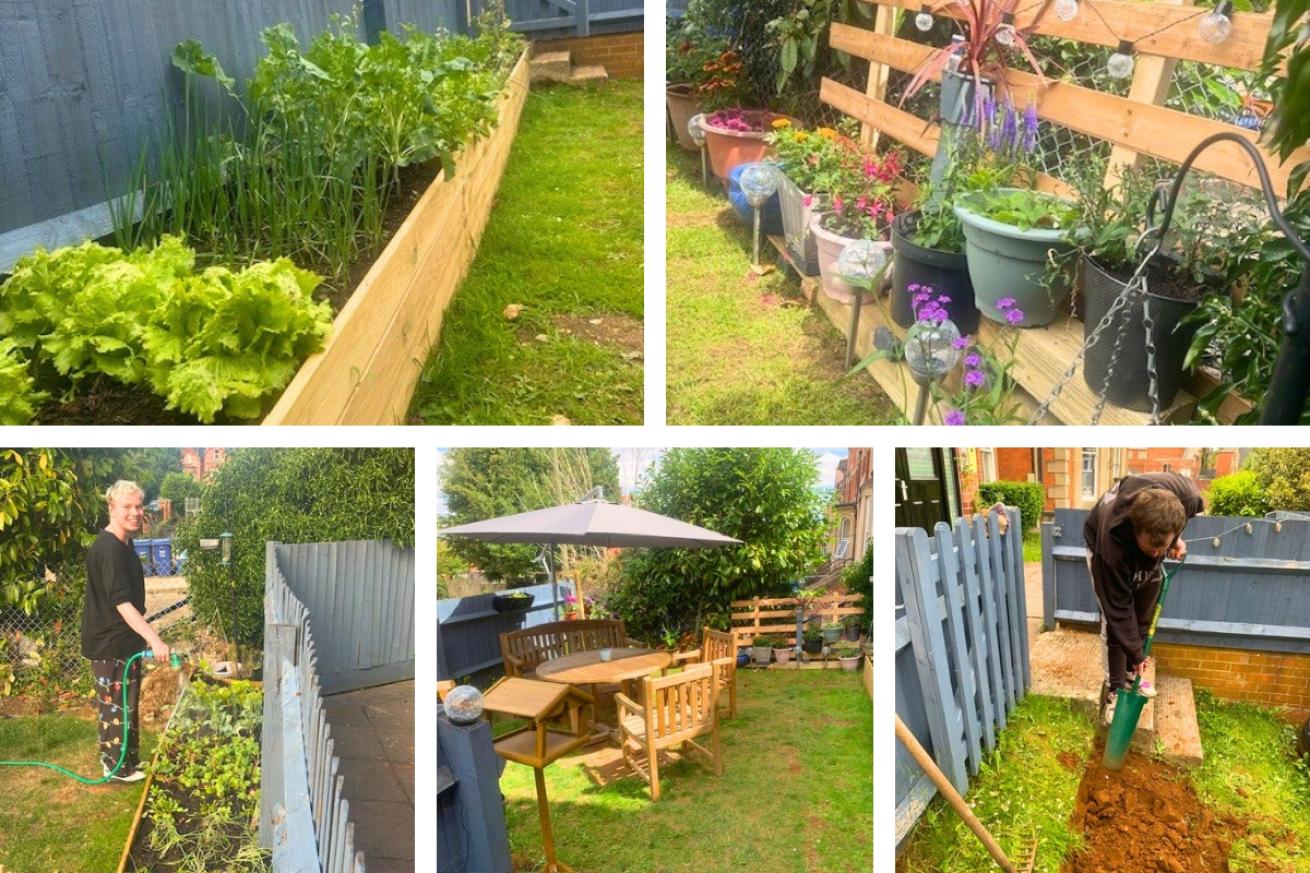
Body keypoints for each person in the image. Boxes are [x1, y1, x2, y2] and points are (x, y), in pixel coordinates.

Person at [1083, 472, 1204, 724]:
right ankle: (1115, 688)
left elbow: (1176, 525)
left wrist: (1175, 538)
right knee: (1114, 624)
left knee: (1143, 613)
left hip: (1152, 532)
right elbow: (1119, 610)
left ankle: (1131, 676)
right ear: (1136, 529)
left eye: (1162, 549)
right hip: (1100, 543)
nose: (1157, 555)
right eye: (1151, 549)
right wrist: (1138, 654)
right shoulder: (1111, 548)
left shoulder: (1187, 497)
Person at [81, 480, 171, 782]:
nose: (135, 513)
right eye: (127, 507)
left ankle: (128, 762)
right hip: (110, 643)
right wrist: (154, 638)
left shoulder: (124, 543)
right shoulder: (109, 549)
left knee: (127, 704)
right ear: (111, 508)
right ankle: (115, 767)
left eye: (138, 506)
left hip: (123, 641)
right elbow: (122, 603)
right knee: (114, 707)